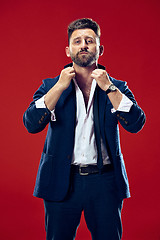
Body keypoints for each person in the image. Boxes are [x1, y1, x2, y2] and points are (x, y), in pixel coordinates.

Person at [23, 18, 146, 240]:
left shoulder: (116, 87)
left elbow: (137, 123)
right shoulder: (50, 86)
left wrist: (108, 88)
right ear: (68, 50)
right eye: (77, 41)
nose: (84, 45)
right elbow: (31, 123)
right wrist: (60, 86)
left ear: (100, 48)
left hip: (105, 181)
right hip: (61, 180)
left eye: (90, 40)